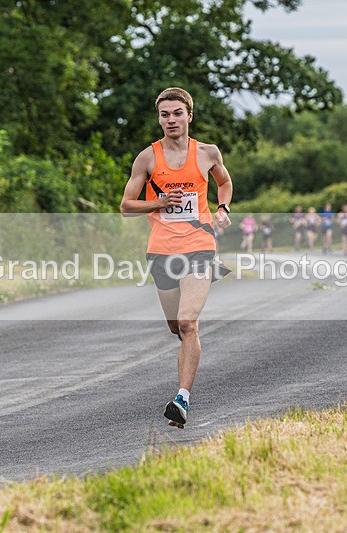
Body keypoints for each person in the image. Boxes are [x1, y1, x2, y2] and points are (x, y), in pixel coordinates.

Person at [120, 87, 233, 428]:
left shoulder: (207, 153)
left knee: (187, 322)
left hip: (199, 245)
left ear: (189, 116)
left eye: (177, 114)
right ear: (159, 119)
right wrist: (158, 203)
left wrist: (223, 208)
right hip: (162, 250)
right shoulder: (148, 158)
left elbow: (224, 183)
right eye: (165, 115)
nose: (171, 120)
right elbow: (126, 206)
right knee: (175, 327)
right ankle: (187, 351)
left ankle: (181, 398)